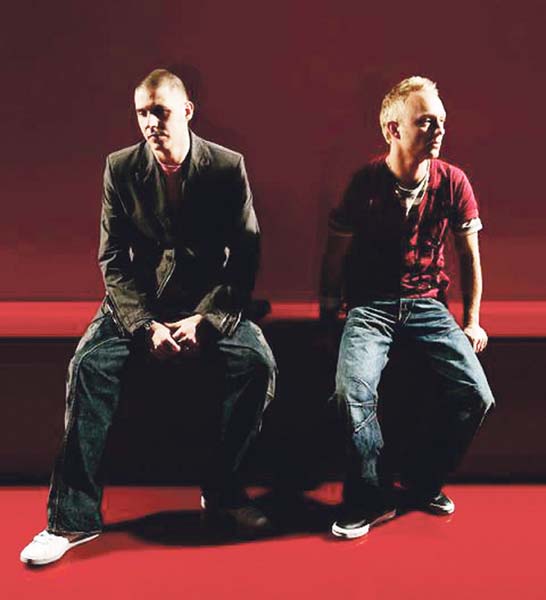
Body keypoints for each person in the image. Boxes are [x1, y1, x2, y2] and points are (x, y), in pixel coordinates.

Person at [21, 69, 276, 565]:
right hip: (139, 301)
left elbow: (245, 257)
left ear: (187, 111)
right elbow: (113, 258)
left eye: (160, 111)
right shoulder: (120, 167)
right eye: (142, 113)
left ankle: (224, 494)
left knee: (257, 363)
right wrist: (143, 325)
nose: (150, 122)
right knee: (87, 365)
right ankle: (71, 520)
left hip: (208, 300)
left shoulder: (227, 167)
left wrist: (206, 320)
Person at [319, 76, 495, 539]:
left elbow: (469, 257)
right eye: (426, 122)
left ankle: (421, 481)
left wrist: (472, 322)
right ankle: (370, 494)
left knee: (476, 394)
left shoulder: (453, 181)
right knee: (350, 392)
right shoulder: (365, 183)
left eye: (441, 121)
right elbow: (335, 254)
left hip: (427, 305)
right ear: (392, 130)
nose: (438, 130)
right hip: (370, 307)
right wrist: (329, 314)